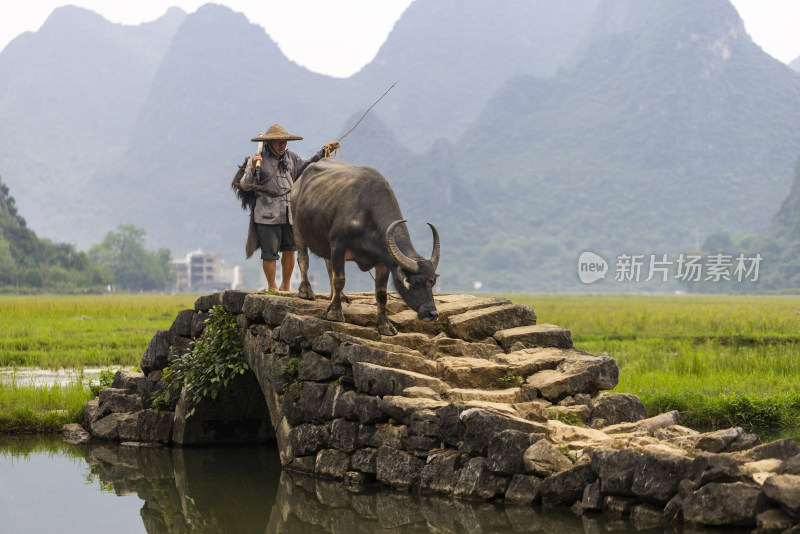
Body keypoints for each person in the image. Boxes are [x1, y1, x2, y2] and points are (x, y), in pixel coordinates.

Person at [239, 124, 338, 291]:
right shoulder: (257, 159)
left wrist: (323, 152)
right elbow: (245, 183)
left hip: (289, 211)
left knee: (290, 249)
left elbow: (307, 166)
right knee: (270, 253)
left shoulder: (290, 157)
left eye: (284, 141)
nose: (282, 144)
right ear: (269, 142)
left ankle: (285, 285)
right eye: (278, 142)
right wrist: (252, 167)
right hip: (267, 212)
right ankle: (272, 286)